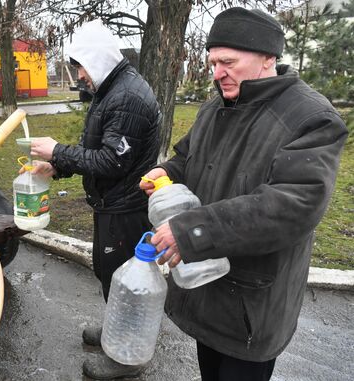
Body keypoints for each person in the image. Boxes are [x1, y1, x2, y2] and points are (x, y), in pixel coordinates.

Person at [140, 7, 348, 381]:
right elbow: (189, 157)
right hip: (207, 286)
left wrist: (191, 232)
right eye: (212, 62)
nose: (217, 72)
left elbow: (292, 206)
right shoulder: (215, 106)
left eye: (228, 61)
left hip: (252, 302)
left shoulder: (311, 117)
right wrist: (167, 171)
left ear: (268, 57)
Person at [29, 20, 161, 378]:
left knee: (123, 277)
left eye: (82, 66)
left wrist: (57, 151)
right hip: (113, 204)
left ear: (97, 60)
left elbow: (112, 161)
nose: (80, 75)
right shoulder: (113, 90)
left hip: (127, 207)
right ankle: (117, 329)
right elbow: (97, 151)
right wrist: (58, 168)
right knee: (111, 274)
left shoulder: (127, 96)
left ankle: (127, 358)